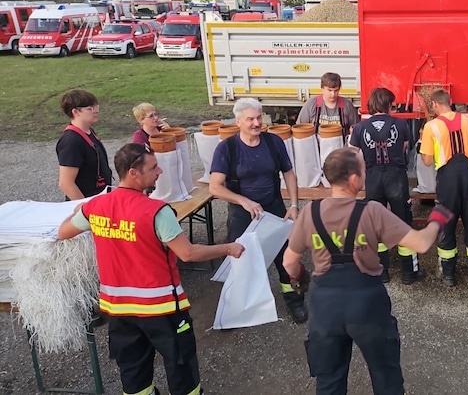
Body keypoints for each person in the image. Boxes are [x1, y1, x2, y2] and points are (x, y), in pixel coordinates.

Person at [57, 143, 246, 395]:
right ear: (134, 173)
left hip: (119, 310)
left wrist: (81, 211)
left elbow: (63, 232)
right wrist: (228, 248)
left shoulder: (96, 207)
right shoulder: (156, 211)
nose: (159, 172)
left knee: (134, 373)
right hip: (162, 308)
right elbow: (188, 253)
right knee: (181, 367)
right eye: (153, 168)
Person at [283, 148, 454, 395]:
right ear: (354, 179)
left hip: (325, 307)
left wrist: (300, 278)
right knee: (386, 376)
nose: (366, 172)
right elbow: (422, 243)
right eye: (364, 168)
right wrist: (437, 219)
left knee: (329, 380)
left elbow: (289, 262)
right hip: (366, 304)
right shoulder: (372, 211)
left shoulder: (310, 212)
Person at [208, 98, 307, 323]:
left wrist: (293, 205)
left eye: (259, 118)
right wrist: (242, 201)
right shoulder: (227, 148)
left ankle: (294, 300)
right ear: (238, 121)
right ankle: (236, 308)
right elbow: (215, 187)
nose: (256, 123)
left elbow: (289, 174)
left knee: (286, 258)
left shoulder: (273, 142)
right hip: (242, 214)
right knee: (239, 261)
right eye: (251, 119)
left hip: (273, 208)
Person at [349, 87, 424, 285]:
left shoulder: (359, 128)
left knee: (375, 225)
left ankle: (381, 272)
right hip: (396, 178)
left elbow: (353, 154)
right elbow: (405, 146)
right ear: (388, 105)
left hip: (372, 179)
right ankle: (409, 272)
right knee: (403, 223)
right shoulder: (400, 124)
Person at [420, 89, 468, 287]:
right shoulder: (467, 119)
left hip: (448, 178)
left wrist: (425, 146)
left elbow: (426, 161)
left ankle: (449, 275)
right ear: (450, 102)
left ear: (434, 104)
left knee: (447, 225)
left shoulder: (430, 127)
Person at [56, 89, 113, 200]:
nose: (96, 111)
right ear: (75, 112)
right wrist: (85, 209)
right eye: (90, 108)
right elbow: (66, 183)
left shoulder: (88, 131)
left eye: (96, 107)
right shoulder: (71, 141)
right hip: (87, 206)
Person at [297, 72, 359, 139]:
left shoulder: (347, 105)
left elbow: (357, 128)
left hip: (341, 147)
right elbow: (299, 129)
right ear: (322, 88)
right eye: (329, 90)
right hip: (317, 147)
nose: (333, 94)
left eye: (336, 90)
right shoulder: (311, 104)